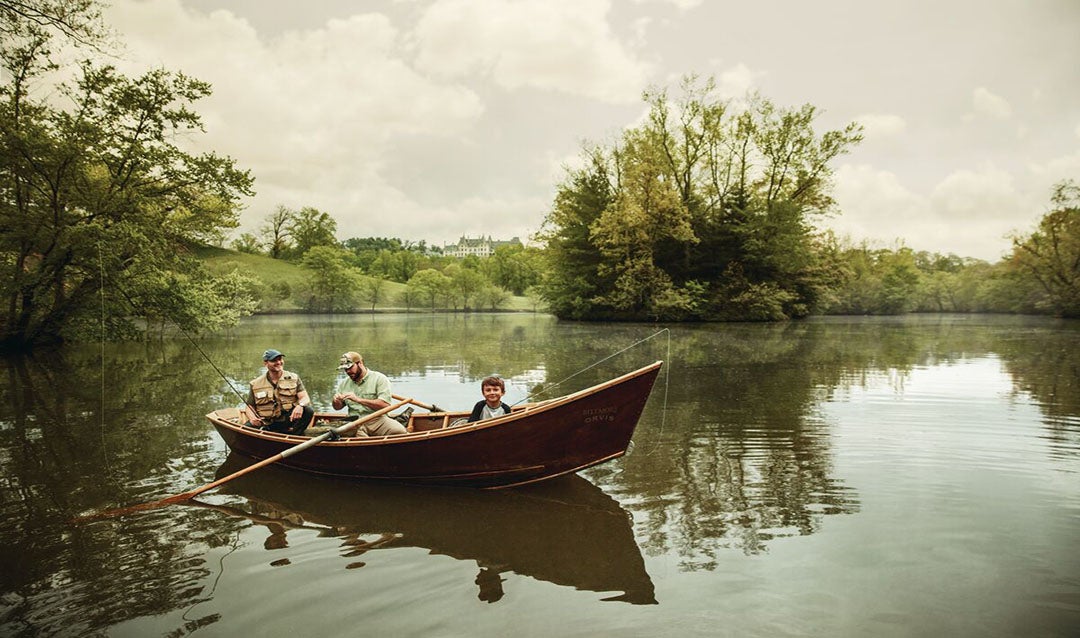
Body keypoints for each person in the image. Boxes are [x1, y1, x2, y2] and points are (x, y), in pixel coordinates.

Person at [332, 351, 407, 436]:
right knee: (362, 440)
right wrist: (336, 401)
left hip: (377, 419)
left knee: (400, 432)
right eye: (345, 369)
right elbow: (337, 408)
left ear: (360, 363)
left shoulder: (379, 378)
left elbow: (385, 405)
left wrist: (358, 400)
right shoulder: (344, 384)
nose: (348, 371)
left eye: (350, 368)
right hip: (354, 422)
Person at [245, 349, 315, 434]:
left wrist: (300, 405)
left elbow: (305, 397)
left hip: (288, 419)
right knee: (245, 429)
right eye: (274, 360)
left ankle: (294, 435)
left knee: (308, 411)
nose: (278, 362)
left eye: (280, 359)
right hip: (266, 422)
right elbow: (249, 406)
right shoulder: (255, 383)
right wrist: (252, 418)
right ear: (266, 363)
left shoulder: (294, 377)